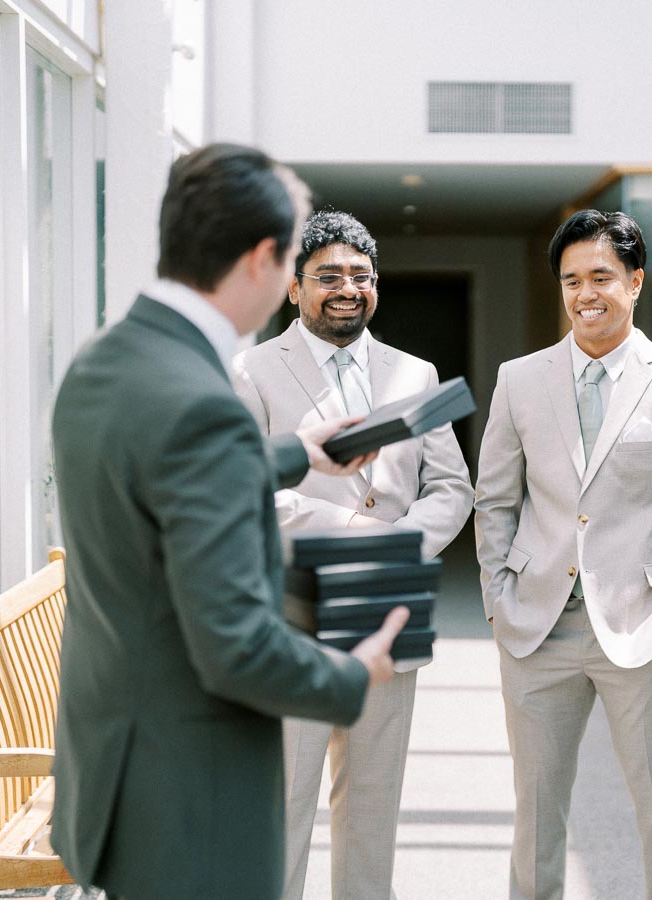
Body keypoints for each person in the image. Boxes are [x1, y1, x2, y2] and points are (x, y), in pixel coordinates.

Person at [50, 143, 407, 900]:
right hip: (192, 798)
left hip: (112, 772)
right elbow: (236, 650)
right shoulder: (206, 406)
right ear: (263, 260)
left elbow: (161, 479)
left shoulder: (103, 361)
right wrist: (353, 673)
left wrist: (290, 455)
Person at [474, 210, 652, 899]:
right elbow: (494, 499)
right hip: (537, 628)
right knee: (536, 817)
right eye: (571, 280)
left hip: (645, 629)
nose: (586, 294)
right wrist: (498, 599)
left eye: (601, 277)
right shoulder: (519, 380)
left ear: (635, 281)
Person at [232, 209, 474, 900]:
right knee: (285, 803)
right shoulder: (250, 371)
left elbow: (451, 487)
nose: (347, 288)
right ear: (294, 287)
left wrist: (400, 544)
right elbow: (245, 486)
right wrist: (351, 531)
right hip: (293, 617)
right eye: (329, 275)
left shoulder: (415, 372)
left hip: (388, 609)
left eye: (361, 276)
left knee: (372, 803)